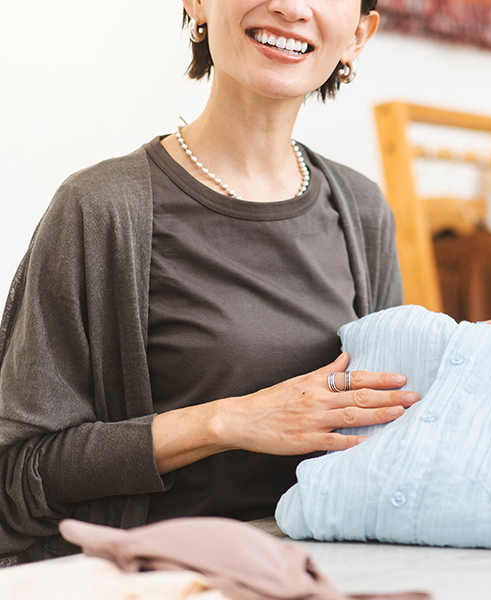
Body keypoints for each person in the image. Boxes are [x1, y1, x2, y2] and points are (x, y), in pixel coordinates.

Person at [0, 0, 416, 564]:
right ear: (197, 3)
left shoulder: (362, 210)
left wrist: (463, 367)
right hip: (165, 578)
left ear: (359, 35)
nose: (292, 7)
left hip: (335, 569)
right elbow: (16, 475)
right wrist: (227, 421)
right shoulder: (100, 208)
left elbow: (388, 430)